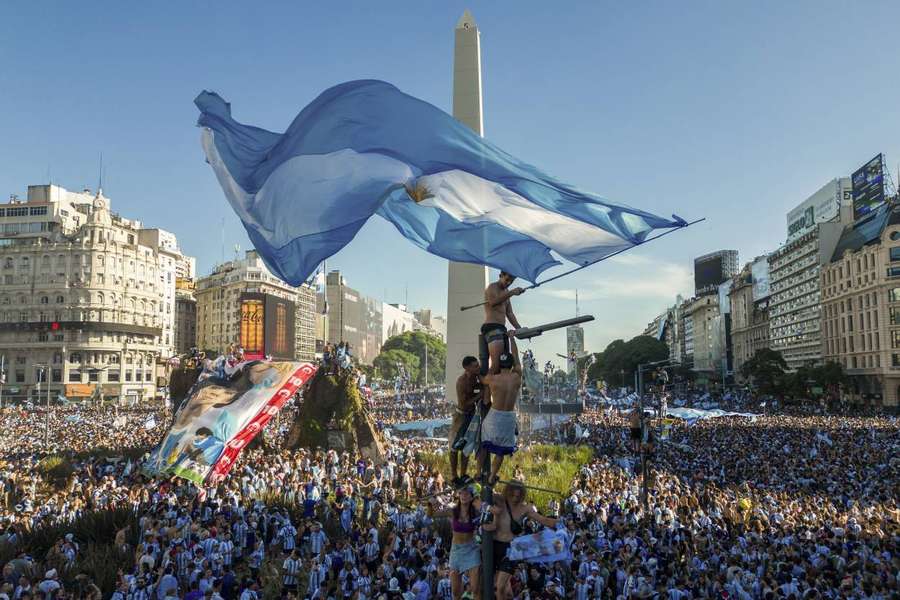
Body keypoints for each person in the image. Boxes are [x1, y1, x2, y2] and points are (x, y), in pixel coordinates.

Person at [484, 481, 558, 600]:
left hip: (511, 549)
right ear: (507, 492)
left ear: (522, 495)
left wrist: (561, 522)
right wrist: (488, 483)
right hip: (493, 546)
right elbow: (481, 494)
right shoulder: (499, 500)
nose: (514, 498)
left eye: (518, 496)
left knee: (500, 587)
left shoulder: (525, 508)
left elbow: (543, 520)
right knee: (495, 587)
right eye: (512, 495)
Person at [480, 333, 522, 484]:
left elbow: (482, 379)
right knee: (501, 451)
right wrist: (512, 338)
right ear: (511, 365)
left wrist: (493, 365)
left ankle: (480, 471)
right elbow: (516, 356)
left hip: (494, 415)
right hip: (509, 417)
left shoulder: (492, 378)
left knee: (484, 443)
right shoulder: (517, 376)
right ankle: (492, 476)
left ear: (500, 365)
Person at [428, 485, 482, 600]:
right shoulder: (452, 511)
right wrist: (431, 503)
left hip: (471, 549)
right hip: (456, 550)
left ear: (472, 497)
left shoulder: (476, 513)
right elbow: (432, 513)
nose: (464, 495)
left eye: (467, 493)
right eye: (462, 493)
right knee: (456, 591)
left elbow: (487, 518)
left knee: (476, 589)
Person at [482, 272, 524, 375]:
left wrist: (519, 329)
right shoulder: (492, 287)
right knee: (496, 365)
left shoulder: (507, 292)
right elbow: (493, 302)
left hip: (502, 328)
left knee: (504, 366)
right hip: (492, 327)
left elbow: (509, 313)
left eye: (511, 281)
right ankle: (486, 390)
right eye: (507, 280)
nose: (509, 283)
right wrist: (511, 293)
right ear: (501, 276)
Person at [449, 356, 482, 487]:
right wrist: (481, 394)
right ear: (467, 368)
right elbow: (464, 402)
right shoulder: (461, 382)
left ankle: (463, 474)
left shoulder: (475, 376)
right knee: (454, 447)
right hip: (461, 416)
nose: (478, 367)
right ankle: (454, 476)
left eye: (477, 365)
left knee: (466, 447)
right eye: (475, 366)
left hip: (471, 415)